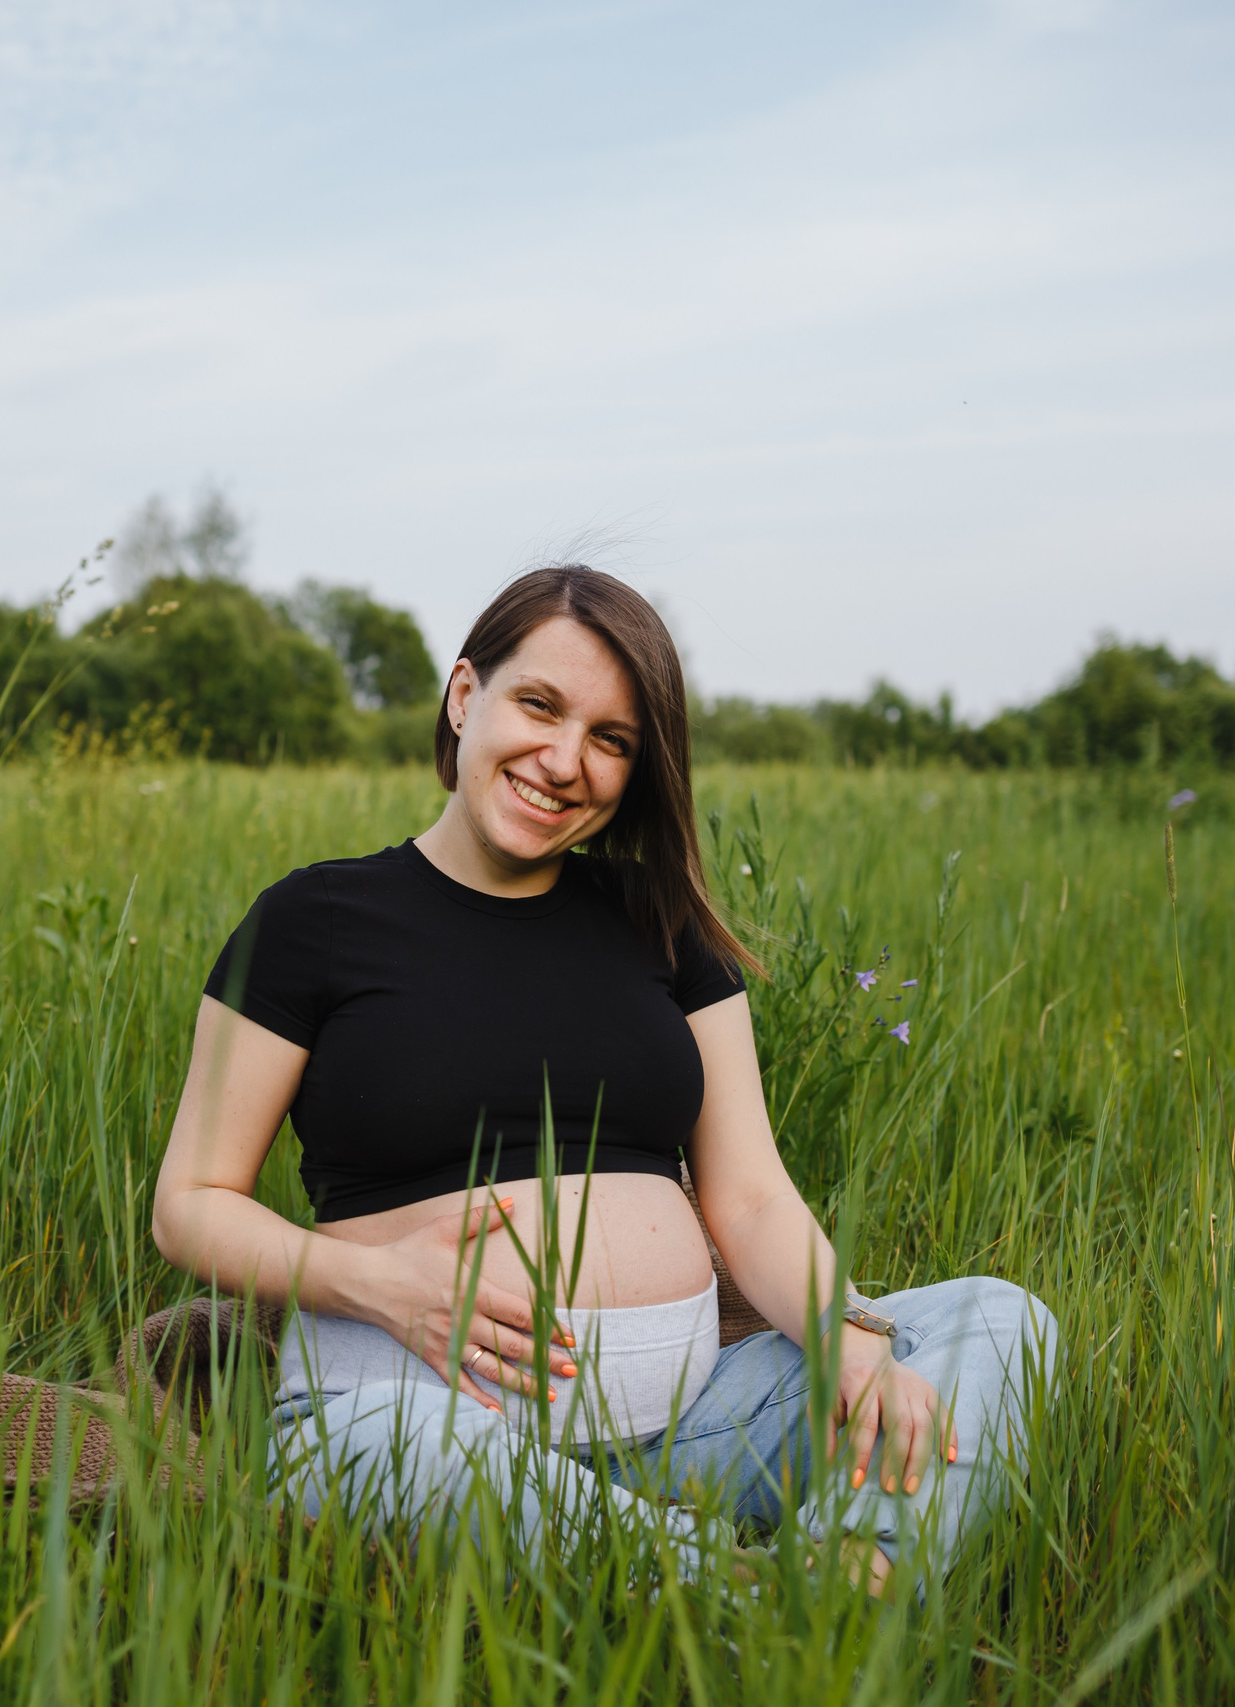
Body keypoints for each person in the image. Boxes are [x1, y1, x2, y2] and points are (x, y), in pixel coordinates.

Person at [150, 566, 1052, 1590]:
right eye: (539, 705)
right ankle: (755, 1601)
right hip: (413, 1415)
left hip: (690, 1429)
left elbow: (749, 1197)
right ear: (462, 697)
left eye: (611, 740)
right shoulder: (312, 922)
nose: (564, 760)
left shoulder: (658, 924)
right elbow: (190, 1205)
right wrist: (380, 1285)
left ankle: (838, 1580)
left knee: (998, 1320)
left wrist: (844, 1334)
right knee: (397, 1453)